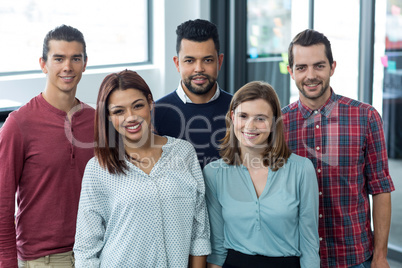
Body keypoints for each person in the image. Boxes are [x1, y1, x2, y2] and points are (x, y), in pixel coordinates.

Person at [73, 70, 211, 267]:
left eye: (137, 106)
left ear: (150, 103)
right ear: (108, 117)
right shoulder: (98, 169)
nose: (131, 117)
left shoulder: (183, 153)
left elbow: (200, 231)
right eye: (119, 111)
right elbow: (86, 248)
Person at [282, 29, 395, 268]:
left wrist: (381, 256)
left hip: (354, 257)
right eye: (301, 67)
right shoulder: (278, 125)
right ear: (291, 72)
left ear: (332, 67)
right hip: (298, 257)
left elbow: (381, 188)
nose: (310, 75)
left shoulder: (366, 117)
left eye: (319, 66)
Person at [0, 25, 94, 267]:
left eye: (75, 58)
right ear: (43, 63)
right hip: (43, 259)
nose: (67, 67)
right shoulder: (18, 124)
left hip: (94, 253)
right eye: (59, 58)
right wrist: (7, 262)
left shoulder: (96, 121)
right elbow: (3, 202)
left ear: (85, 63)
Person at [203, 81, 320, 268]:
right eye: (243, 116)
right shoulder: (213, 174)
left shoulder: (302, 169)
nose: (250, 126)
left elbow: (309, 244)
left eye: (260, 118)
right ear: (232, 117)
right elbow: (218, 248)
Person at [153, 19, 232, 168]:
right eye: (189, 61)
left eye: (207, 60)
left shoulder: (240, 110)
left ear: (219, 62)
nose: (199, 69)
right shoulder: (155, 114)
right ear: (177, 63)